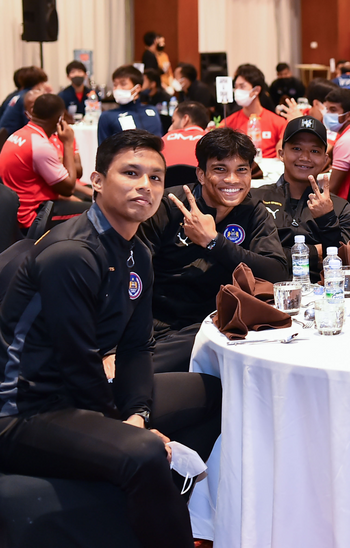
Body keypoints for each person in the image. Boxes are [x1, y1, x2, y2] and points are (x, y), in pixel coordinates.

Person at [0, 129, 222, 548]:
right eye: (131, 173)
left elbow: (137, 347)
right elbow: (77, 360)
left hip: (78, 391)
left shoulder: (137, 251)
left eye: (155, 177)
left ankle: (177, 515)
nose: (145, 186)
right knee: (143, 451)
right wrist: (125, 428)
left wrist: (137, 414)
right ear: (98, 181)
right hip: (24, 410)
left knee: (214, 392)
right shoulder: (72, 253)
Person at [137, 127, 287, 373]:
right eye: (220, 169)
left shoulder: (253, 211)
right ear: (201, 174)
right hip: (163, 326)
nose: (232, 180)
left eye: (242, 170)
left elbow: (277, 273)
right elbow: (134, 277)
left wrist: (214, 242)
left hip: (220, 324)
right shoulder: (168, 207)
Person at [251, 116, 350, 282]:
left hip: (322, 292)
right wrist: (314, 253)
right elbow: (249, 257)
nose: (305, 157)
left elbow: (344, 264)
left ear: (325, 160)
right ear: (281, 154)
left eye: (314, 151)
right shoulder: (256, 199)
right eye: (297, 148)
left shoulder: (339, 207)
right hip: (266, 290)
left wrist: (327, 220)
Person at [0, 93, 89, 230]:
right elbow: (68, 189)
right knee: (96, 212)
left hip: (15, 211)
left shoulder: (17, 135)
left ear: (32, 113)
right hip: (32, 217)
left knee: (86, 198)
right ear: (60, 118)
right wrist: (68, 143)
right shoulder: (39, 145)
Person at [221, 63, 286, 158]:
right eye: (236, 87)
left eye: (242, 86)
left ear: (256, 90)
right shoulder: (228, 123)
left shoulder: (278, 122)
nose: (237, 91)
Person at [97, 65, 163, 143]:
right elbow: (103, 148)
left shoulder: (152, 110)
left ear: (137, 88)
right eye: (115, 85)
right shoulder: (107, 116)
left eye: (123, 84)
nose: (117, 89)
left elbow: (160, 140)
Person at [0, 66, 48, 137]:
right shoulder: (29, 98)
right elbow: (31, 123)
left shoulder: (16, 95)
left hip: (8, 137)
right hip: (15, 136)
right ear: (40, 83)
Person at [161, 101, 210, 167]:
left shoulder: (165, 139)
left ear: (185, 119)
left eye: (173, 121)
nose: (170, 129)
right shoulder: (212, 141)